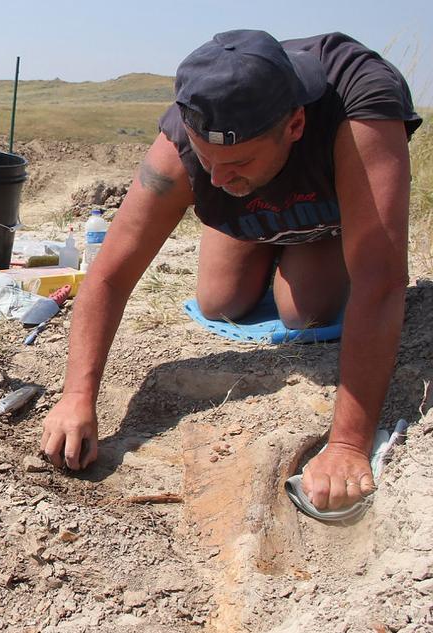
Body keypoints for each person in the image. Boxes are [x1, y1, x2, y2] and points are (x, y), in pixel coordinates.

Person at [41, 31, 422, 514]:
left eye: (237, 160)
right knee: (221, 301)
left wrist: (348, 445)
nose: (217, 179)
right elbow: (110, 273)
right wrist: (76, 395)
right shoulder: (185, 139)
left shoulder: (361, 102)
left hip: (329, 209)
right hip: (255, 206)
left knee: (306, 310)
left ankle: (304, 239)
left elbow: (381, 280)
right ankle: (259, 223)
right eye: (206, 160)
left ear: (296, 124)